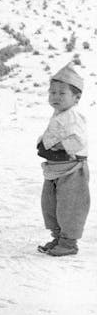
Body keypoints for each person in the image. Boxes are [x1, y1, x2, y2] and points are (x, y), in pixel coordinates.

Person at [37, 61, 88, 257]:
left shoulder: (74, 117)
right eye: (52, 92)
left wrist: (58, 147)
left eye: (61, 93)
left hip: (72, 170)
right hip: (54, 169)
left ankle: (69, 242)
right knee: (51, 204)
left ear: (76, 97)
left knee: (70, 205)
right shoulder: (59, 114)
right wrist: (42, 143)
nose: (55, 97)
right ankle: (58, 236)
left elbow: (77, 141)